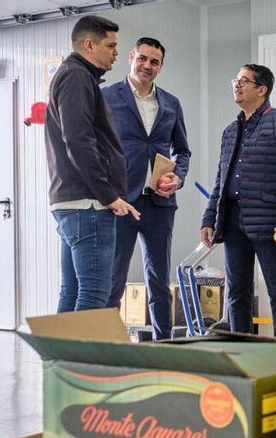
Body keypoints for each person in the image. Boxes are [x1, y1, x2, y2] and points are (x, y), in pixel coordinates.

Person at [200, 64, 276, 337]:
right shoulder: (230, 130)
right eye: (235, 80)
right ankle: (241, 349)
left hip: (271, 224)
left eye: (244, 81)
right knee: (237, 292)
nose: (237, 85)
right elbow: (220, 182)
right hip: (233, 222)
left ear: (262, 90)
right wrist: (209, 219)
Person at [45, 15, 139, 313]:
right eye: (110, 45)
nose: (115, 52)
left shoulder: (73, 75)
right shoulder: (76, 77)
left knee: (73, 292)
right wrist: (108, 195)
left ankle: (61, 361)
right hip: (88, 205)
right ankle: (81, 361)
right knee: (96, 294)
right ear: (89, 44)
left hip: (75, 203)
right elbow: (79, 141)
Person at [103, 37, 192, 340]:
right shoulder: (107, 97)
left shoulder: (170, 103)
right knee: (113, 279)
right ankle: (110, 345)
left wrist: (177, 177)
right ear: (131, 57)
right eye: (143, 58)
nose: (147, 66)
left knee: (158, 279)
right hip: (119, 203)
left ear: (161, 66)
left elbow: (183, 151)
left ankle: (163, 342)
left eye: (154, 62)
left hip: (159, 204)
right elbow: (95, 147)